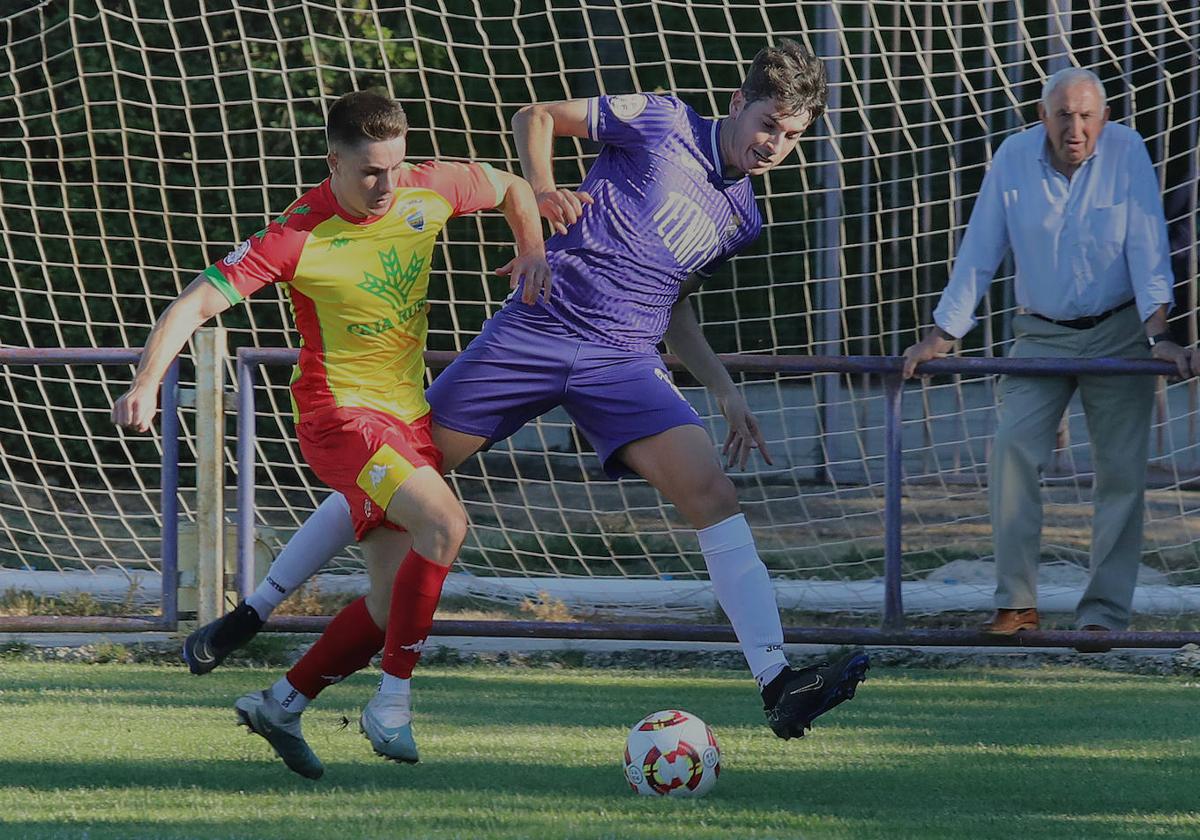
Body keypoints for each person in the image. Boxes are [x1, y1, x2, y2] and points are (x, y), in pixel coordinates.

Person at [186, 39, 870, 778]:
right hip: (536, 330)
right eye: (770, 123)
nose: (775, 144)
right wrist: (541, 195)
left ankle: (777, 683)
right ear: (738, 104)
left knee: (712, 490)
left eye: (793, 136)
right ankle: (253, 611)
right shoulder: (664, 119)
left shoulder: (742, 217)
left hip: (624, 361)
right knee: (397, 477)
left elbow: (675, 305)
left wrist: (724, 388)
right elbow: (536, 113)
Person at [112, 89, 551, 778]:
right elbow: (192, 303)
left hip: (404, 417)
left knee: (386, 604)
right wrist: (144, 384)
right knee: (446, 524)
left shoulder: (426, 187)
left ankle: (281, 703)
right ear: (333, 162)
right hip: (338, 418)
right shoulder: (297, 233)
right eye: (369, 172)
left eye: (394, 167)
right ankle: (393, 701)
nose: (385, 186)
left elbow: (514, 186)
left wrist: (532, 250)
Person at [901, 67, 1185, 651]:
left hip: (1119, 331)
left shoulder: (1129, 153)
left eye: (1085, 116)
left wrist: (1159, 335)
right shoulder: (1012, 158)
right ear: (1043, 118)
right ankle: (1016, 605)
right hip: (1039, 334)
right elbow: (980, 248)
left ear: (1103, 121)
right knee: (1011, 451)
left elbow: (1148, 246)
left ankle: (1103, 616)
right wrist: (942, 333)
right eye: (1063, 115)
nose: (1074, 128)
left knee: (1121, 474)